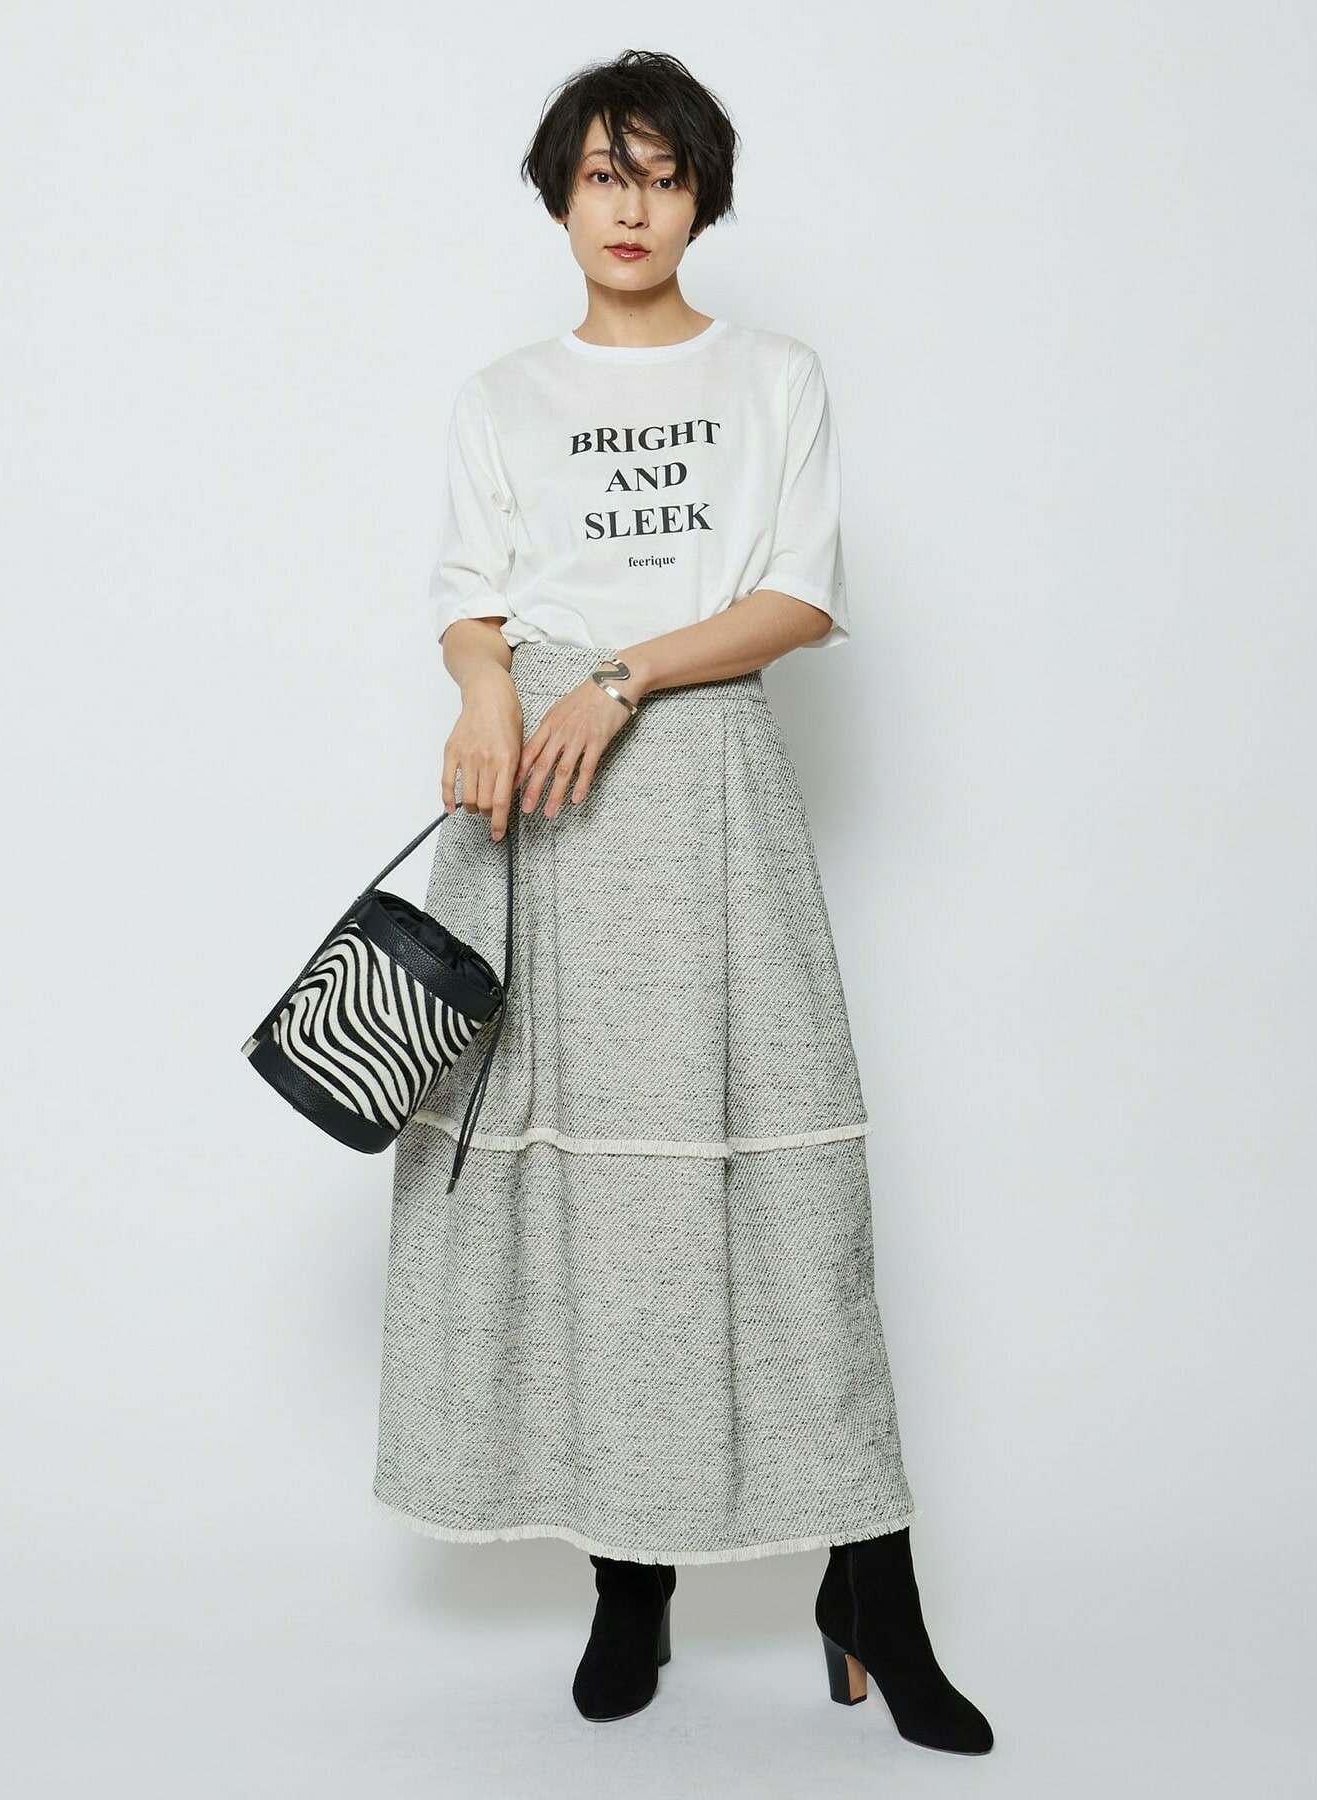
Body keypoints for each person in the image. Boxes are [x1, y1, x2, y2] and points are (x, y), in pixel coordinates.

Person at [371, 49, 994, 1753]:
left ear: (703, 195)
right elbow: (470, 595)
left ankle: (874, 1592)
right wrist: (485, 689)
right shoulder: (501, 395)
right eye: (601, 174)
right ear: (560, 196)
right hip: (536, 811)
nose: (630, 206)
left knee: (781, 1189)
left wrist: (624, 675)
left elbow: (798, 594)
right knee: (586, 1197)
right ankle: (626, 1582)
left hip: (703, 785)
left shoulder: (773, 375)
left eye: (660, 175)